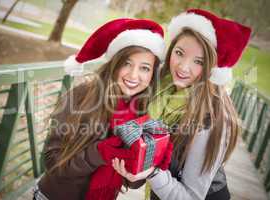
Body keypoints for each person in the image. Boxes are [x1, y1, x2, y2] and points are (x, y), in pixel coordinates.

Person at [112, 9, 251, 200]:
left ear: (212, 68)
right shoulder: (163, 89)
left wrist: (151, 173)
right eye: (179, 53)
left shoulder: (212, 118)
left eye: (198, 61)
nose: (183, 67)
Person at [32, 18, 167, 200]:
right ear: (114, 63)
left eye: (144, 68)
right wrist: (99, 153)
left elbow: (132, 182)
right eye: (127, 63)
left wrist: (143, 166)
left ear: (152, 75)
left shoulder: (142, 111)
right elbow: (50, 162)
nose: (134, 75)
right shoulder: (81, 96)